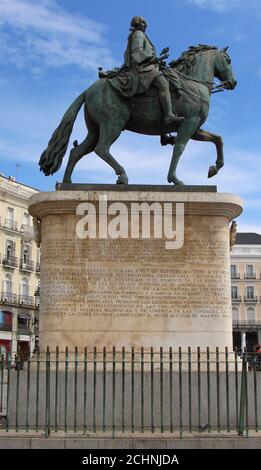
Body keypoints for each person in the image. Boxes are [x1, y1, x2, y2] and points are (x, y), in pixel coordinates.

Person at [110, 16, 184, 125]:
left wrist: (156, 60)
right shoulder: (139, 34)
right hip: (142, 69)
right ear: (138, 24)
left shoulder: (140, 34)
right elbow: (137, 51)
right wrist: (154, 59)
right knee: (163, 84)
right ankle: (169, 115)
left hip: (147, 66)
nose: (146, 25)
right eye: (144, 23)